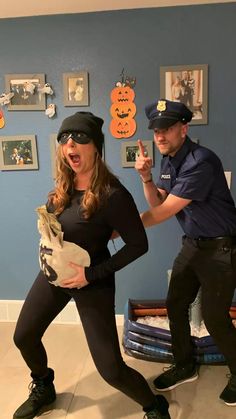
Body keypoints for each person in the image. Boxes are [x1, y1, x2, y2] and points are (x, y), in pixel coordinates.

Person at [13, 111, 170, 419]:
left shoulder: (114, 195)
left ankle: (154, 405)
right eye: (64, 139)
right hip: (54, 275)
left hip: (91, 280)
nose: (71, 143)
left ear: (96, 146)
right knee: (24, 336)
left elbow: (139, 244)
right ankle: (44, 386)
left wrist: (91, 274)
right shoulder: (62, 187)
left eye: (80, 138)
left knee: (110, 370)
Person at [134, 99, 236, 407]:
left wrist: (121, 229)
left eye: (167, 129)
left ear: (184, 129)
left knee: (215, 317)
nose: (161, 137)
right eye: (156, 131)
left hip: (221, 247)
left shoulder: (200, 161)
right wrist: (146, 178)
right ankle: (185, 364)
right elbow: (157, 202)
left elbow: (163, 212)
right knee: (175, 303)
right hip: (193, 244)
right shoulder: (169, 160)